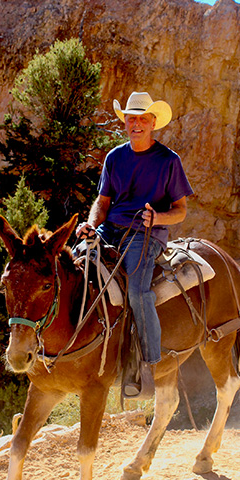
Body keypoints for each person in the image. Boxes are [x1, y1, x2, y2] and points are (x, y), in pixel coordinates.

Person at [76, 91, 193, 397]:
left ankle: (149, 362)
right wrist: (91, 224)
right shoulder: (115, 157)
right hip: (110, 230)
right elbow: (102, 202)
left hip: (146, 235)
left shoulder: (169, 161)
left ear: (153, 123)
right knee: (72, 267)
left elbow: (180, 210)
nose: (136, 124)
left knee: (139, 292)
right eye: (131, 118)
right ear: (125, 122)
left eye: (143, 118)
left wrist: (157, 218)